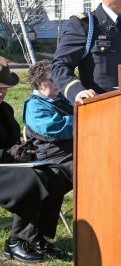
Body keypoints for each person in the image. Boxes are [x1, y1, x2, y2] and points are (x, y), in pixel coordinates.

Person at [0, 57, 69, 263]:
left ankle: (37, 237)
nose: (2, 92)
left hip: (8, 166)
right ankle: (15, 241)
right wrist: (10, 154)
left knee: (55, 175)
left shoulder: (6, 109)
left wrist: (23, 150)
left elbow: (13, 143)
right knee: (34, 179)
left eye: (4, 88)